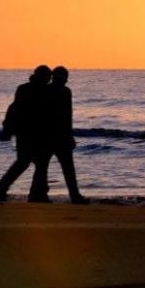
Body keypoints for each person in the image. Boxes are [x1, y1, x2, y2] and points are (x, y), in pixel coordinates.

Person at [0, 65, 54, 203]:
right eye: (48, 76)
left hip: (32, 132)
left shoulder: (26, 88)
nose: (50, 78)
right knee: (29, 163)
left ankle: (36, 193)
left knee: (34, 163)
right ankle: (33, 193)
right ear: (41, 76)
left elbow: (13, 108)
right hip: (29, 132)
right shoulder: (33, 90)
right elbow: (16, 108)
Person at [49, 66, 89, 204]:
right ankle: (74, 196)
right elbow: (67, 116)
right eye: (65, 77)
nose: (66, 80)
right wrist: (69, 135)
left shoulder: (47, 90)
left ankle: (38, 194)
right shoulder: (65, 92)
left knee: (42, 168)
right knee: (68, 169)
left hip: (47, 135)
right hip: (60, 136)